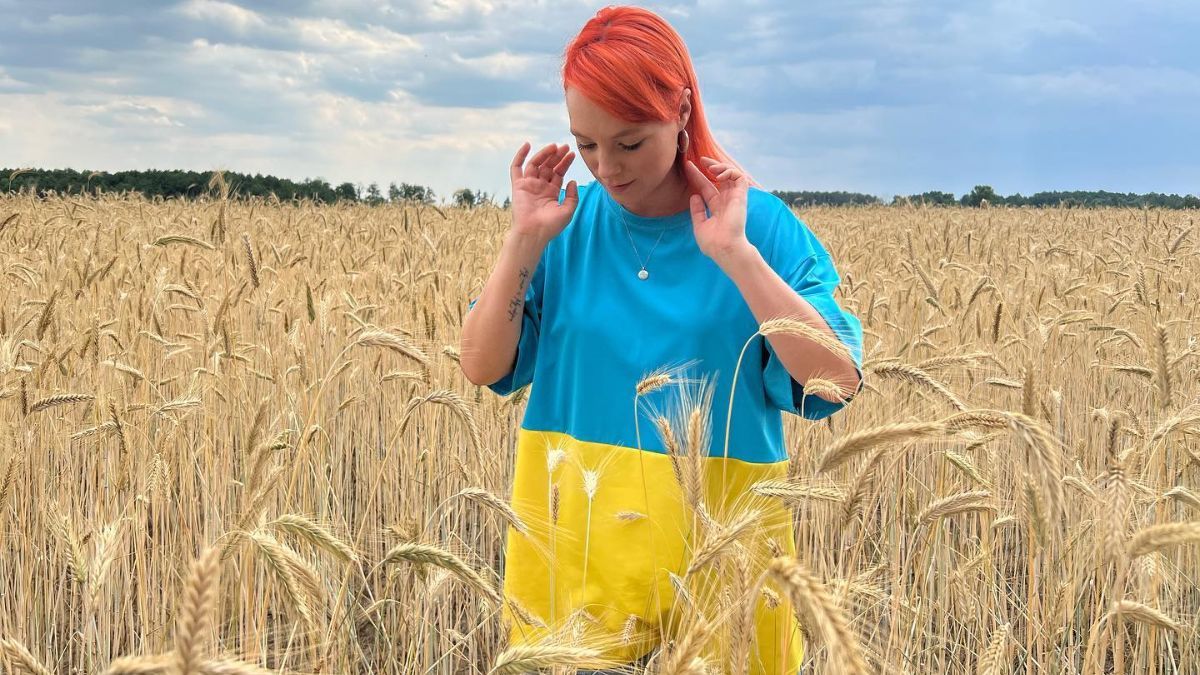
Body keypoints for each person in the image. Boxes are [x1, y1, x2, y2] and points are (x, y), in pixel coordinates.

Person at [460, 5, 864, 673]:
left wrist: (735, 255)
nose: (605, 167)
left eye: (628, 142)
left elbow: (838, 379)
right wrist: (524, 239)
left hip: (721, 562)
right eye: (585, 144)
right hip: (574, 556)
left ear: (680, 110)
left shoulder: (759, 225)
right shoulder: (564, 228)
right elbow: (481, 364)